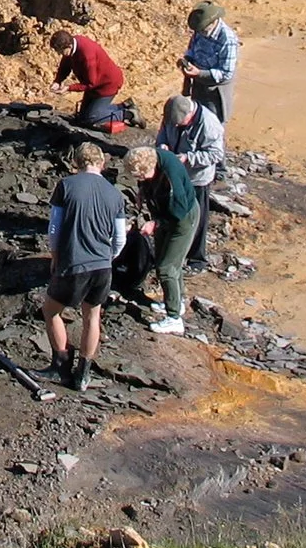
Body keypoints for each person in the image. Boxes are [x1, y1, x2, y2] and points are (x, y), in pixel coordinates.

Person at [41, 142, 129, 390]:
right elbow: (120, 238)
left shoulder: (66, 186)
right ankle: (83, 374)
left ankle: (60, 365)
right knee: (93, 317)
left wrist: (55, 256)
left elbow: (55, 228)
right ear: (102, 163)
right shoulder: (115, 194)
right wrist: (108, 257)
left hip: (73, 263)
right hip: (102, 266)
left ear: (77, 163)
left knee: (51, 311)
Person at [135, 144, 200, 335]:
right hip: (167, 216)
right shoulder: (154, 158)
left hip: (182, 220)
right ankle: (176, 302)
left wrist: (155, 224)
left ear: (150, 168)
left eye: (141, 177)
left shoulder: (170, 177)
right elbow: (146, 179)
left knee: (166, 268)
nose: (140, 180)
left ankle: (173, 319)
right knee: (169, 260)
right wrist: (142, 190)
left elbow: (178, 211)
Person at [156, 94, 224, 274]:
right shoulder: (172, 114)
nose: (175, 125)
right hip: (174, 175)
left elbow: (216, 154)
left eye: (180, 123)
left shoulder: (209, 124)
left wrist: (188, 158)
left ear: (190, 114)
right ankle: (170, 250)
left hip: (196, 179)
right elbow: (162, 133)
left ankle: (196, 259)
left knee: (197, 218)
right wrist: (162, 145)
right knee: (172, 212)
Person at [50, 28, 125, 131]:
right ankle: (123, 106)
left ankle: (128, 114)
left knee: (92, 118)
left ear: (69, 46)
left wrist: (68, 88)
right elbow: (65, 66)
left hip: (107, 84)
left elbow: (90, 83)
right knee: (82, 118)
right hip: (94, 85)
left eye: (60, 51)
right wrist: (57, 81)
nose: (59, 54)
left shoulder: (86, 55)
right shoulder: (71, 46)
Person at [180, 1, 239, 125]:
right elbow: (192, 48)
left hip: (216, 91)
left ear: (213, 23)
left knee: (213, 127)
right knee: (197, 122)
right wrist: (187, 61)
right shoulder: (200, 30)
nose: (200, 33)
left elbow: (226, 73)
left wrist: (199, 73)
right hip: (198, 85)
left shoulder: (227, 39)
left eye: (203, 30)